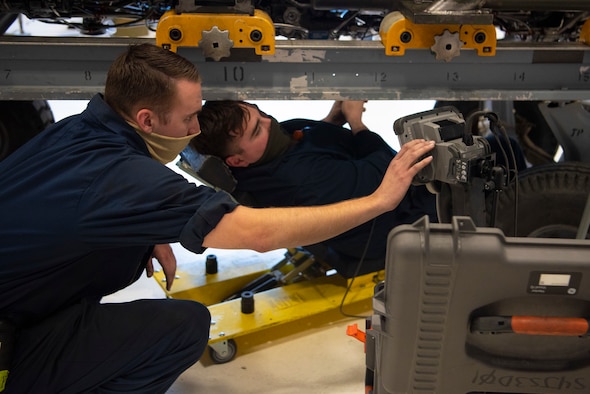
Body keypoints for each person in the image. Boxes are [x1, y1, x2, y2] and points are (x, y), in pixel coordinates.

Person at [0, 44, 435, 393]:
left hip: (18, 294)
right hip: (9, 341)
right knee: (184, 326)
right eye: (189, 118)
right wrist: (381, 199)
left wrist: (144, 232)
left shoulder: (74, 132)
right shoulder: (123, 178)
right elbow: (260, 233)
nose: (194, 129)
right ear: (147, 119)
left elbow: (69, 209)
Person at [188, 100, 439, 277]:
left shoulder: (271, 153)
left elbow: (310, 147)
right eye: (257, 130)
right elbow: (391, 172)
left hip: (371, 204)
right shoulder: (300, 180)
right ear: (237, 161)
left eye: (260, 113)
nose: (269, 122)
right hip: (395, 225)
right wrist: (356, 123)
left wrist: (332, 120)